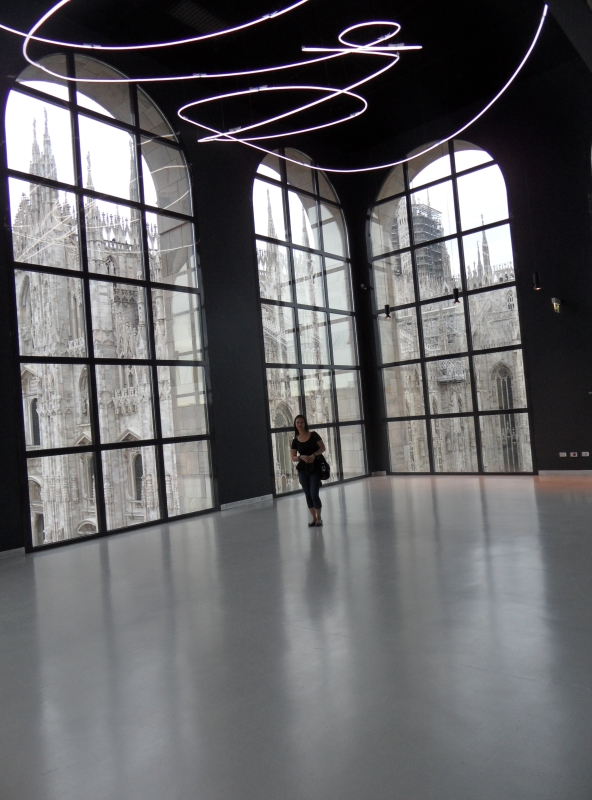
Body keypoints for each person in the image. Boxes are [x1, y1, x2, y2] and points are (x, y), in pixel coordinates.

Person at [291, 414, 326, 527]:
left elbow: (322, 448)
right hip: (303, 469)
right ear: (295, 425)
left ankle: (319, 518)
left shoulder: (314, 435)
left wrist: (314, 455)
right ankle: (314, 518)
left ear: (305, 423)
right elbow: (293, 457)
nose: (299, 424)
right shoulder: (295, 440)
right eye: (297, 423)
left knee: (314, 493)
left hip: (315, 468)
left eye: (301, 422)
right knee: (307, 494)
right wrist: (300, 457)